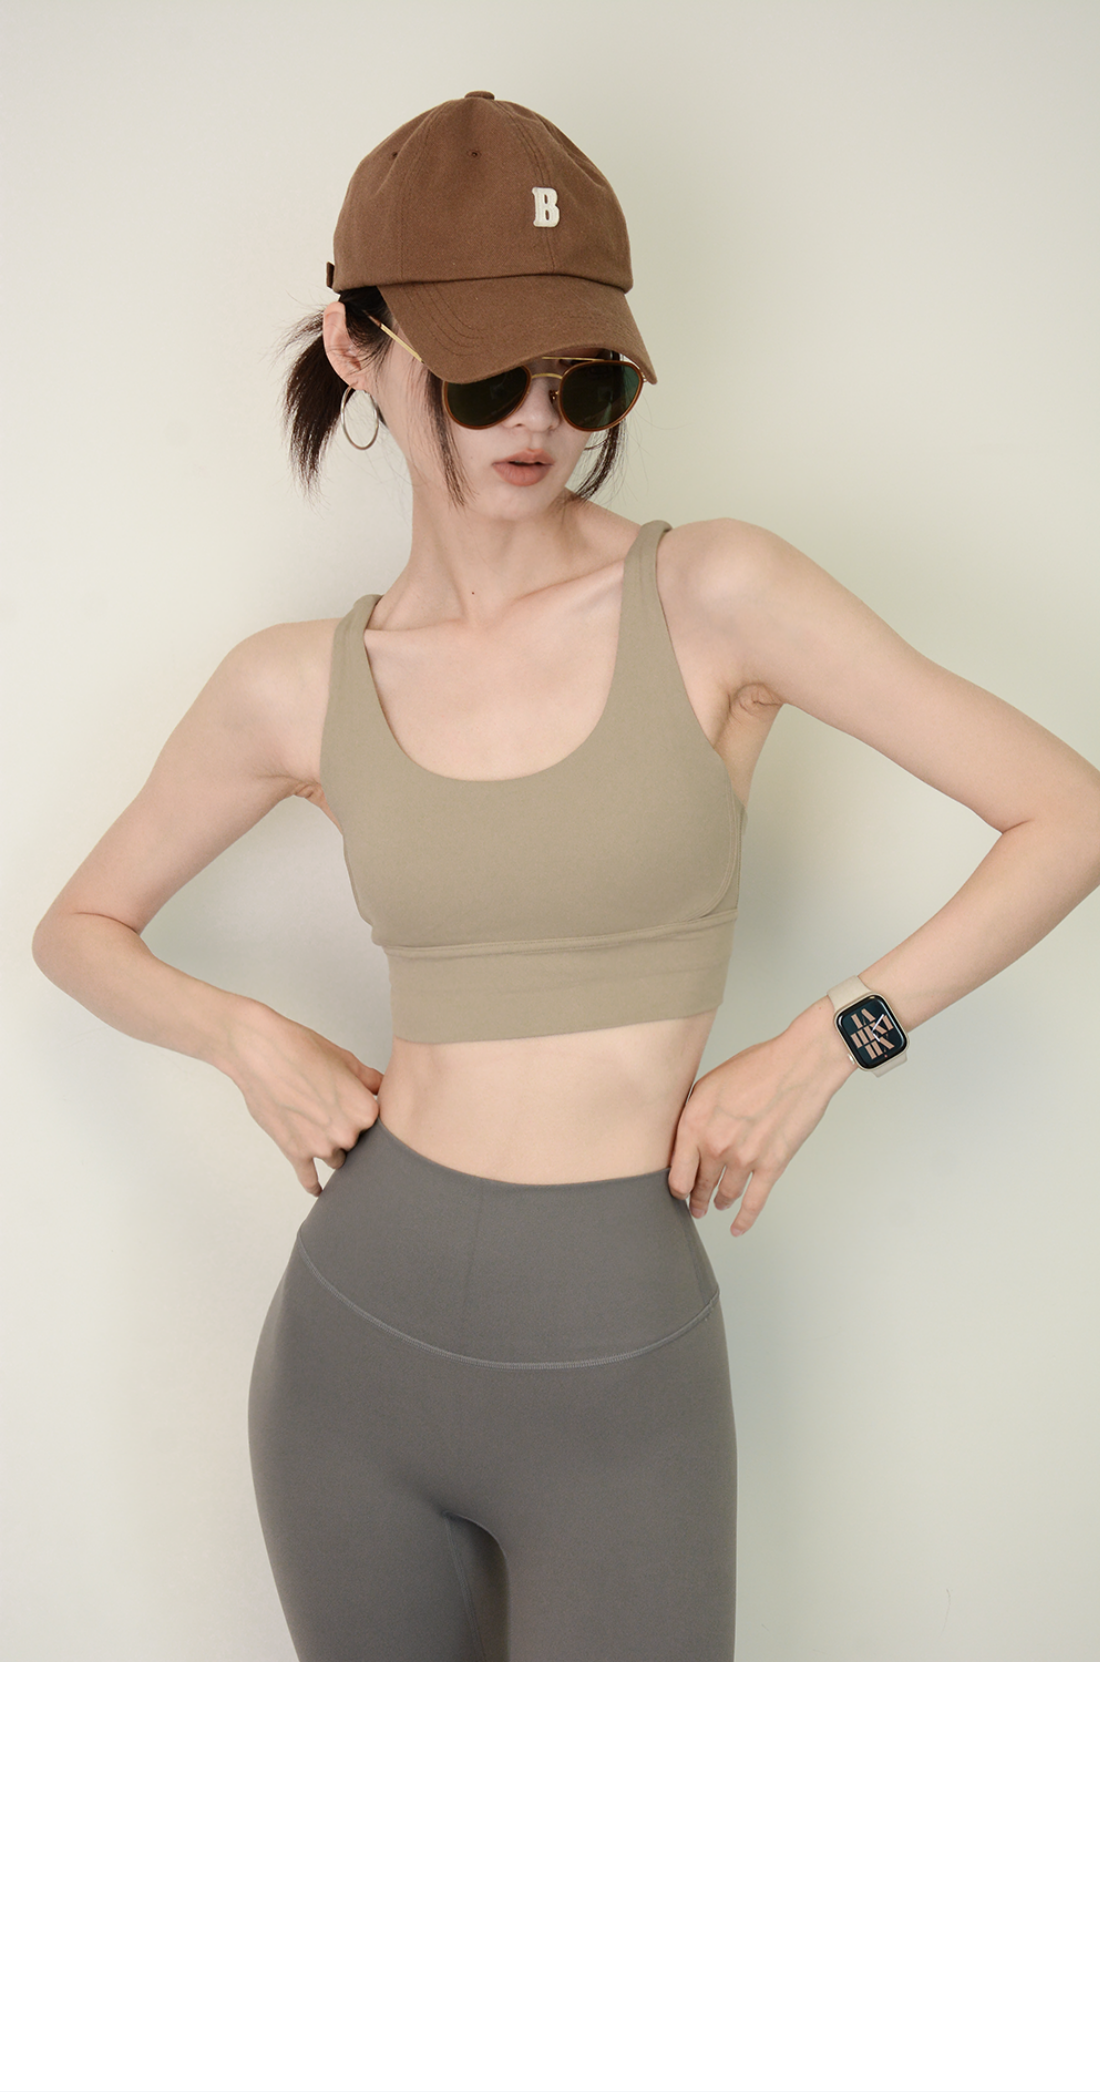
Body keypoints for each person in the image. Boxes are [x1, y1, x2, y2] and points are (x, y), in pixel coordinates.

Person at [31, 91, 1100, 1663]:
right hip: (352, 1354)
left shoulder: (716, 594)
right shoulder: (292, 684)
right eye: (482, 378)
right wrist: (243, 1037)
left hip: (620, 1366)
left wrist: (833, 1040)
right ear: (357, 349)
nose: (537, 421)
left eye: (583, 377)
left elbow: (1066, 813)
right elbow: (77, 929)